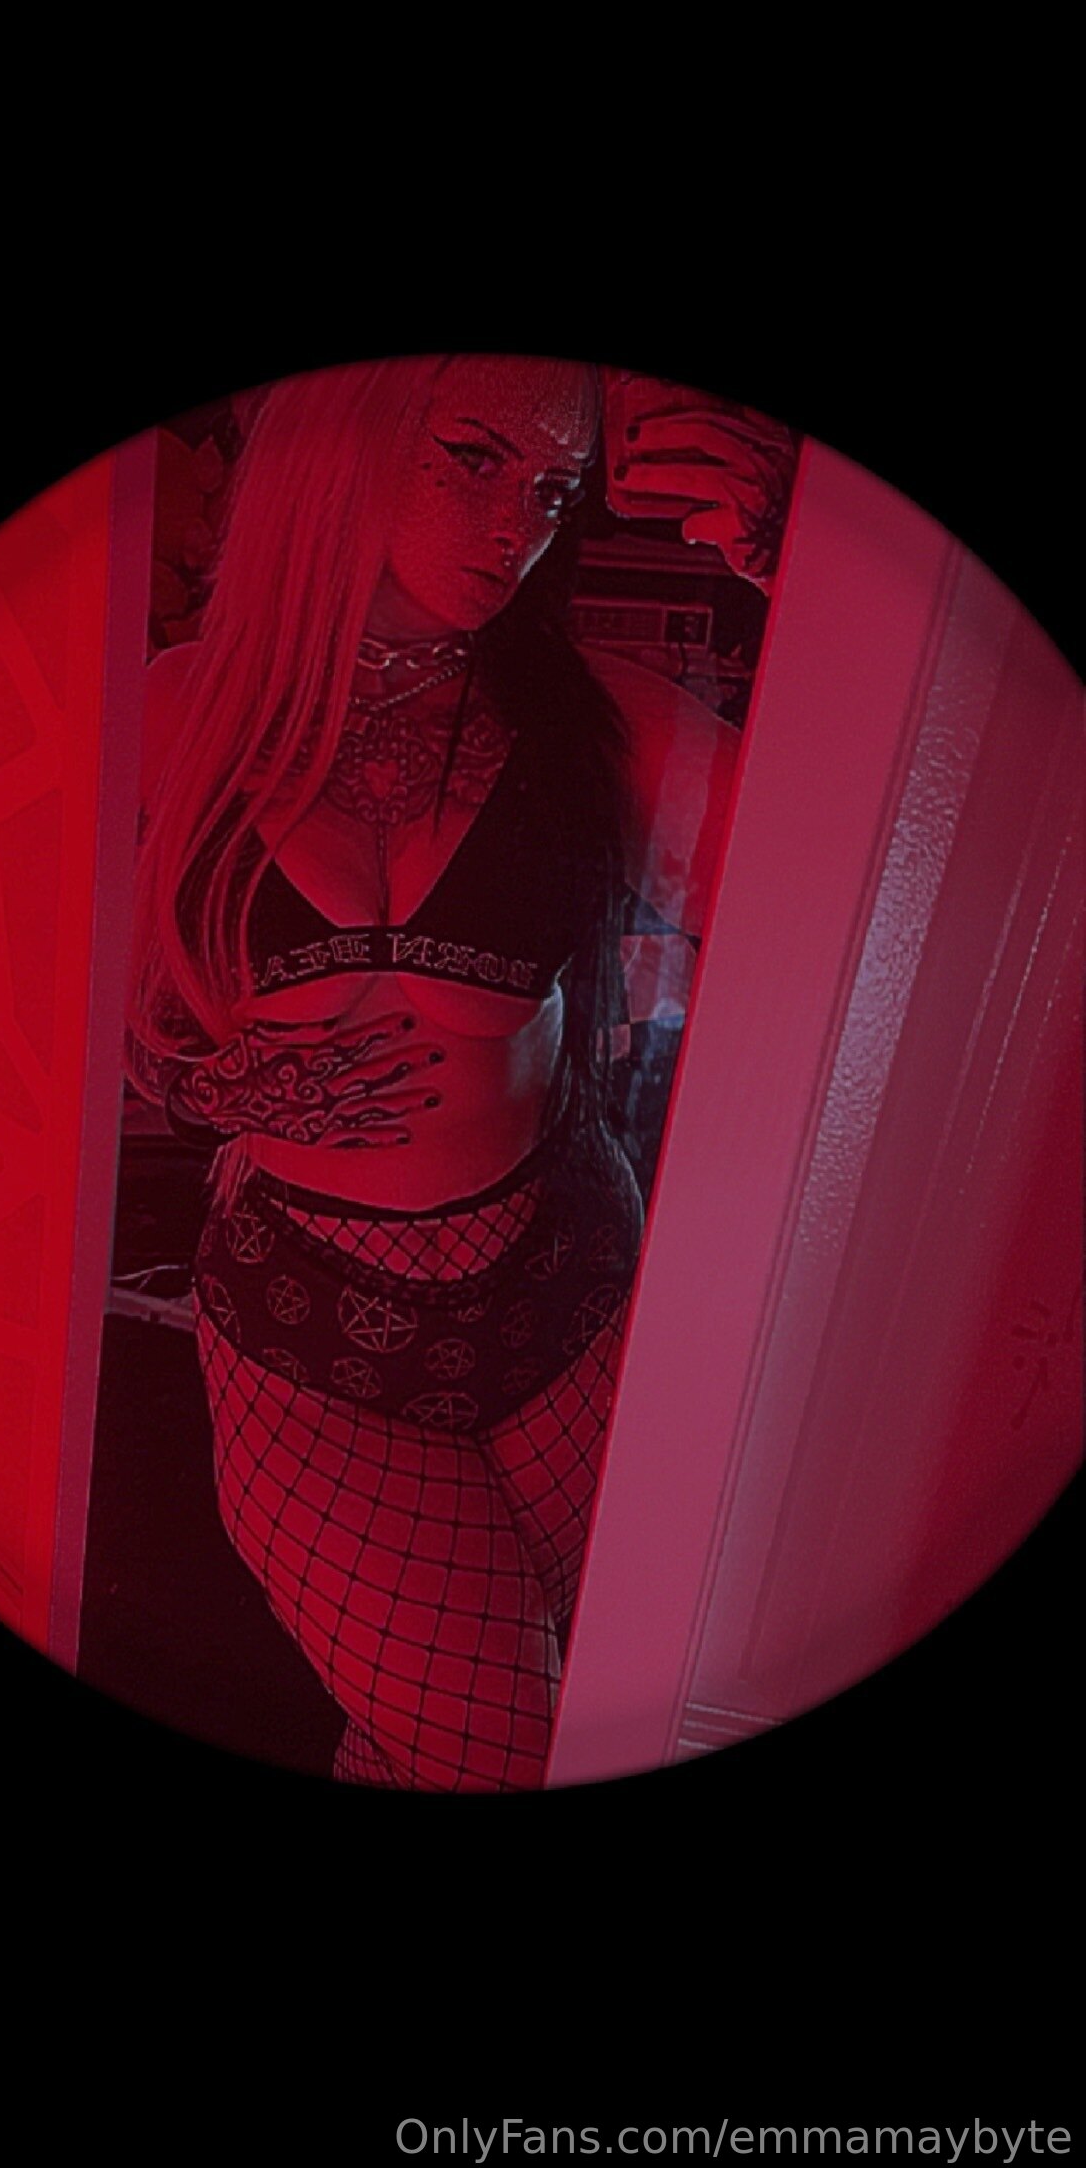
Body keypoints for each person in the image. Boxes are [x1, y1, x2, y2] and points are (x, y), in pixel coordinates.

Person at [126, 355, 739, 1791]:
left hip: (565, 1293)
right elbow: (38, 999)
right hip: (307, 1327)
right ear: (345, 444)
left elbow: (877, 893)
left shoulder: (602, 715)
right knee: (490, 1743)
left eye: (555, 489)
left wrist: (788, 567)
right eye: (474, 457)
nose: (517, 521)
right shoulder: (178, 711)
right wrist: (203, 1090)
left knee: (529, 1720)